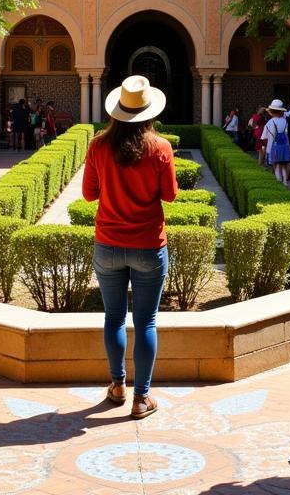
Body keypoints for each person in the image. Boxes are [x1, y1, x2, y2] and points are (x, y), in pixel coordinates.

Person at [82, 75, 177, 420]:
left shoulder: (98, 145)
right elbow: (169, 195)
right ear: (149, 112)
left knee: (113, 318)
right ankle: (141, 398)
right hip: (149, 245)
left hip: (108, 243)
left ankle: (118, 385)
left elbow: (90, 194)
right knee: (146, 321)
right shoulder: (161, 147)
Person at [262, 99, 290, 182]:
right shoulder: (285, 121)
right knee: (283, 165)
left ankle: (279, 182)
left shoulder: (269, 122)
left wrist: (265, 149)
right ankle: (285, 181)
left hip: (272, 147)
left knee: (276, 166)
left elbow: (264, 137)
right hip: (284, 146)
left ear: (272, 111)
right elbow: (286, 133)